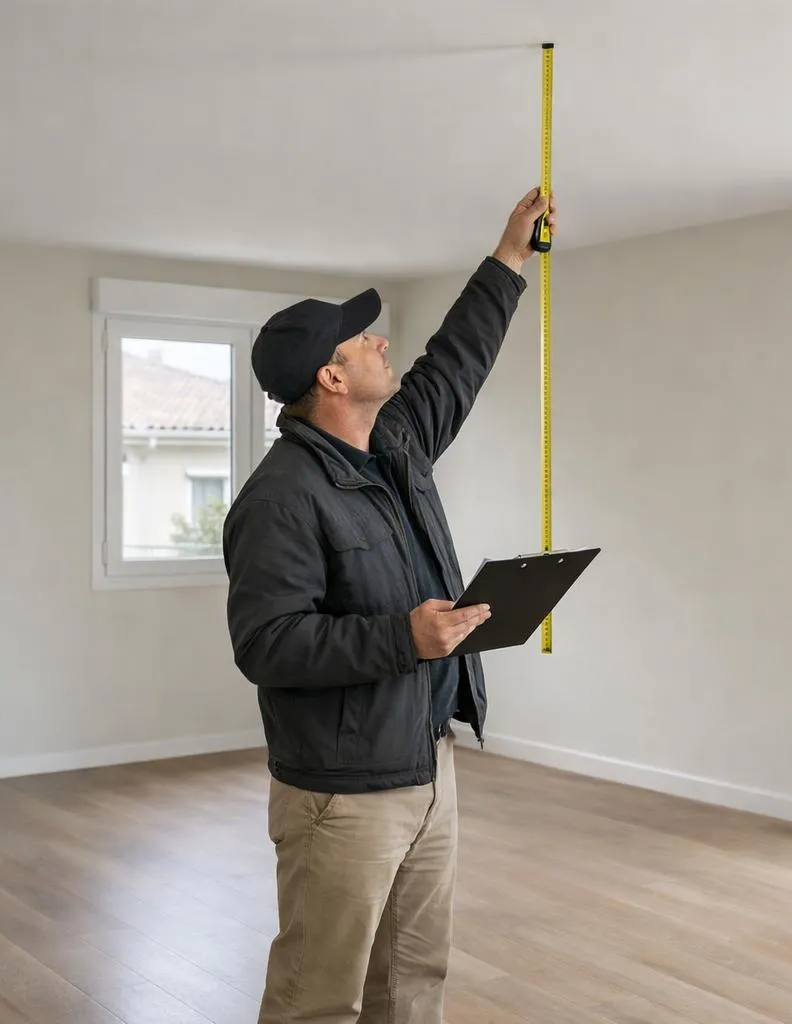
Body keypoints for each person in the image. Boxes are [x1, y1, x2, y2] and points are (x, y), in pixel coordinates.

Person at [221, 187, 555, 1024]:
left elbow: (456, 361)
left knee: (414, 980)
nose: (380, 338)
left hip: (427, 761)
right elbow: (268, 645)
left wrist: (510, 254)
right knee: (318, 995)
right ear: (331, 376)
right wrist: (402, 637)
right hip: (341, 794)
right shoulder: (281, 498)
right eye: (361, 336)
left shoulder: (396, 447)